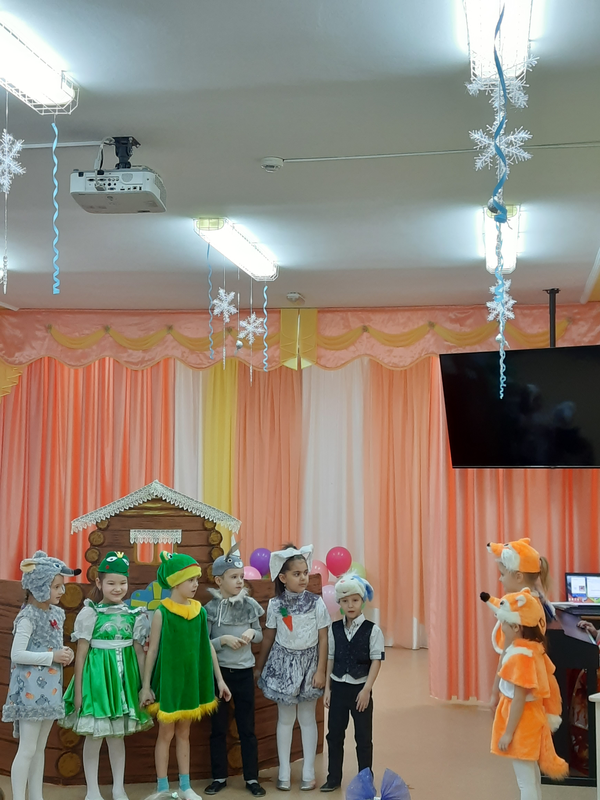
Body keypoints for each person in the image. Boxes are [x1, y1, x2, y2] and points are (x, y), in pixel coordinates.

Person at [139, 551, 231, 800]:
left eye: (196, 580)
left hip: (191, 683)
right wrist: (146, 686)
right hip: (169, 683)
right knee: (165, 734)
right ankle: (161, 788)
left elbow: (208, 646)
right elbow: (152, 651)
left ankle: (185, 786)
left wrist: (220, 680)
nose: (195, 585)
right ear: (175, 582)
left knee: (184, 734)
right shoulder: (162, 613)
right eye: (190, 580)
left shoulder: (199, 612)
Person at [60, 552, 153, 800]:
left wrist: (144, 685)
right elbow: (81, 654)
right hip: (97, 681)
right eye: (111, 583)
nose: (117, 588)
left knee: (117, 736)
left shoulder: (134, 615)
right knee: (94, 735)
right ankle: (92, 790)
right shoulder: (90, 613)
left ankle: (118, 788)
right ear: (99, 583)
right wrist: (78, 691)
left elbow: (139, 653)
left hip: (123, 682)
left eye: (122, 583)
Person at [2, 550, 80, 800]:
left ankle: (36, 796)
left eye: (61, 586)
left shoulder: (56, 614)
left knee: (39, 749)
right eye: (56, 586)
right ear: (38, 586)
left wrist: (65, 653)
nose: (61, 591)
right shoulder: (27, 617)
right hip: (30, 691)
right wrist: (52, 656)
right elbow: (17, 654)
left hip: (50, 688)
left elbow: (52, 647)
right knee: (27, 748)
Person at [255, 544, 330, 792]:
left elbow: (323, 638)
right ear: (283, 577)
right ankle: (284, 771)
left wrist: (321, 671)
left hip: (310, 666)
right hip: (283, 666)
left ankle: (308, 771)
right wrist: (259, 666)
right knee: (285, 719)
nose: (303, 578)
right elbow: (269, 636)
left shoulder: (316, 603)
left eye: (305, 572)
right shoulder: (276, 604)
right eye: (296, 574)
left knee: (307, 718)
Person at [480, 589, 568, 799]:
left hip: (523, 724)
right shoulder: (532, 649)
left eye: (504, 623)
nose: (501, 628)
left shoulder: (520, 657)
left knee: (525, 782)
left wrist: (508, 733)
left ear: (516, 627)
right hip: (531, 719)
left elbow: (519, 698)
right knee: (531, 777)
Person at [204, 543, 266, 797]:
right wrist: (223, 641)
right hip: (220, 675)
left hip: (243, 674)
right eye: (234, 577)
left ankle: (252, 778)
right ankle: (219, 776)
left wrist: (252, 632)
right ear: (219, 581)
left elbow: (260, 635)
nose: (240, 581)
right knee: (218, 728)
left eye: (241, 576)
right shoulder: (210, 609)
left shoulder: (250, 605)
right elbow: (204, 643)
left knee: (247, 728)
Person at [321, 574, 384, 792]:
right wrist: (327, 689)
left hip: (360, 690)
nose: (350, 605)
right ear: (339, 602)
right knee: (334, 735)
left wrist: (367, 689)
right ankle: (333, 778)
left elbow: (376, 661)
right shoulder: (334, 629)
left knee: (363, 737)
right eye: (345, 601)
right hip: (338, 688)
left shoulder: (372, 630)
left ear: (362, 601)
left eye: (355, 600)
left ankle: (365, 780)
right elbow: (330, 658)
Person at [487, 539, 555, 709]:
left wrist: (495, 692)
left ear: (518, 577)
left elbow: (506, 652)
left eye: (503, 574)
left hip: (517, 690)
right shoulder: (535, 603)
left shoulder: (518, 612)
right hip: (531, 686)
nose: (500, 579)